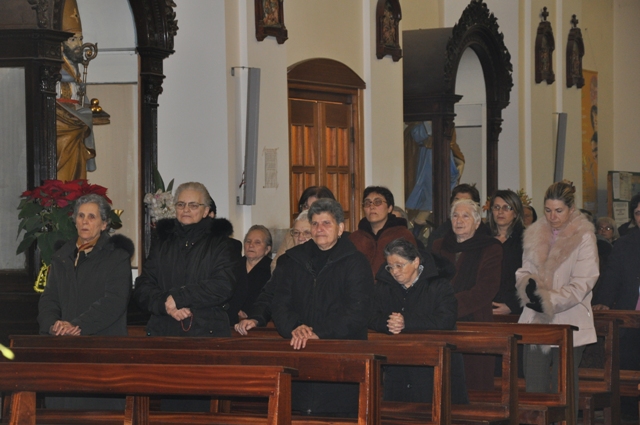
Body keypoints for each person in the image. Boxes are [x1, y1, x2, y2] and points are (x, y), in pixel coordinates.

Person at [270, 198, 373, 417]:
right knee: (297, 414)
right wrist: (295, 327)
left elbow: (358, 311)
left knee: (337, 416)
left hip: (341, 354)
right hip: (299, 350)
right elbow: (279, 303)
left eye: (326, 223)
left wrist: (318, 332)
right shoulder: (293, 260)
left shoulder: (356, 262)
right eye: (315, 223)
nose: (319, 229)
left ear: (340, 228)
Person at [38, 193, 133, 410]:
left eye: (91, 217)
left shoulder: (117, 257)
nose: (84, 221)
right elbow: (49, 298)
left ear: (104, 224)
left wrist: (77, 325)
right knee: (61, 414)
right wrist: (53, 324)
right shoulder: (62, 256)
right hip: (63, 350)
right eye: (80, 216)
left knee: (98, 415)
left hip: (101, 352)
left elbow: (114, 302)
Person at [516, 181, 598, 419]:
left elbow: (583, 282)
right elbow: (524, 271)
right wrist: (527, 288)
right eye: (548, 210)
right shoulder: (534, 233)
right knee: (535, 387)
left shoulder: (584, 236)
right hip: (536, 320)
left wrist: (548, 300)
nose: (552, 217)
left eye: (559, 211)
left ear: (571, 209)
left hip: (569, 319)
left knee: (564, 389)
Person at [133, 182, 241, 337]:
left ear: (206, 211)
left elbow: (223, 285)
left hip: (206, 331)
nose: (186, 210)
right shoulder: (163, 242)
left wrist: (179, 298)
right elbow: (143, 286)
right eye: (181, 204)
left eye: (193, 205)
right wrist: (166, 304)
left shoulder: (221, 244)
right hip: (163, 329)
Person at [370, 238, 468, 404]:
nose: (394, 272)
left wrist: (406, 322)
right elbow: (369, 316)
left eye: (399, 265)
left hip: (434, 366)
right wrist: (387, 322)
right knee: (398, 413)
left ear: (415, 262)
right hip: (398, 365)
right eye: (390, 267)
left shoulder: (439, 285)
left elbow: (446, 319)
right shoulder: (384, 287)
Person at [431, 198, 502, 391]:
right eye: (455, 216)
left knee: (474, 386)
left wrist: (448, 306)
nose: (459, 221)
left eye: (465, 216)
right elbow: (430, 281)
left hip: (475, 322)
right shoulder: (439, 246)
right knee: (442, 387)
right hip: (440, 325)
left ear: (477, 222)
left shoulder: (491, 247)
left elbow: (486, 289)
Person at [234, 211, 311, 335]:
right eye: (296, 233)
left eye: (307, 233)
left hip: (318, 331)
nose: (300, 238)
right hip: (291, 330)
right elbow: (270, 295)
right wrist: (255, 318)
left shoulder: (327, 262)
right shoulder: (286, 261)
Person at [56, 0, 97, 182]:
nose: (79, 44)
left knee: (77, 171)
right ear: (61, 44)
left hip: (76, 123)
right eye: (73, 39)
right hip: (61, 125)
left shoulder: (75, 66)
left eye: (80, 39)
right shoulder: (56, 66)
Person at [349, 186, 418, 276]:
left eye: (378, 202)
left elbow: (410, 271)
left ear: (389, 208)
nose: (371, 207)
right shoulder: (355, 238)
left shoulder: (402, 235)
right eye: (367, 203)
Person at [271, 185, 335, 272]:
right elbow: (275, 266)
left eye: (314, 207)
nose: (308, 211)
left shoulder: (330, 236)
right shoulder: (292, 235)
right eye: (305, 206)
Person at [488, 190, 525, 316]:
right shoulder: (483, 238)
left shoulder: (526, 240)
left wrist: (512, 305)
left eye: (506, 208)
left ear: (516, 213)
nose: (500, 212)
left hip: (515, 310)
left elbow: (533, 278)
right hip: (485, 307)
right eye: (496, 207)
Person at [226, 225, 272, 325]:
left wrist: (251, 315)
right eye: (248, 241)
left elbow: (270, 300)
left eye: (257, 242)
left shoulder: (272, 269)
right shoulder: (233, 266)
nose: (251, 245)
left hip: (258, 324)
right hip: (229, 322)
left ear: (267, 249)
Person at [425, 184, 489, 251]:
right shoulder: (440, 234)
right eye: (457, 200)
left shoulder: (485, 236)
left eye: (466, 201)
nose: (460, 205)